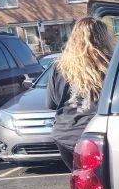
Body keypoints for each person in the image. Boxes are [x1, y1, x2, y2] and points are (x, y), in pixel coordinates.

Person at [46, 17, 113, 168]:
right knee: (101, 183)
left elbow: (50, 103)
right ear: (103, 38)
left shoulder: (59, 66)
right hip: (94, 134)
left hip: (64, 133)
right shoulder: (111, 65)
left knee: (82, 181)